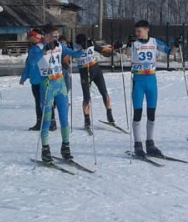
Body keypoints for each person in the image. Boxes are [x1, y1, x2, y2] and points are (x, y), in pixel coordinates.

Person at [115, 20, 171, 157]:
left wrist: (176, 44)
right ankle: (138, 144)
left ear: (147, 30)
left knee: (151, 113)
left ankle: (150, 143)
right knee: (138, 113)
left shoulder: (154, 42)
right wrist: (129, 43)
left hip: (151, 81)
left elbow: (170, 51)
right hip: (138, 82)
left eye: (139, 31)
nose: (137, 34)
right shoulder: (134, 43)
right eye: (136, 31)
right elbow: (127, 53)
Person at [27, 25, 77, 163]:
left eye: (57, 36)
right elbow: (31, 62)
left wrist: (86, 48)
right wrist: (44, 50)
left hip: (60, 84)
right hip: (47, 85)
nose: (56, 39)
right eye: (53, 36)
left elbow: (74, 54)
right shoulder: (36, 48)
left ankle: (65, 147)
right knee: (47, 119)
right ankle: (45, 149)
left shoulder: (60, 46)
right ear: (46, 36)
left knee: (64, 118)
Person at [72, 33, 116, 131]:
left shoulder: (90, 43)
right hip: (84, 71)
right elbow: (72, 54)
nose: (85, 43)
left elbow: (102, 50)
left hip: (95, 69)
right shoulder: (74, 46)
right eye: (82, 42)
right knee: (87, 97)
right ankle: (87, 120)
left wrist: (114, 47)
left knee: (104, 92)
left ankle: (109, 115)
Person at [19, 28, 49, 131]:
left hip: (42, 79)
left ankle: (47, 121)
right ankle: (41, 121)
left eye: (32, 37)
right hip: (35, 80)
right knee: (40, 101)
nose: (29, 39)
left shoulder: (40, 48)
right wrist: (23, 77)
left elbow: (32, 62)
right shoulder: (34, 48)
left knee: (44, 101)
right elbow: (28, 65)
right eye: (29, 37)